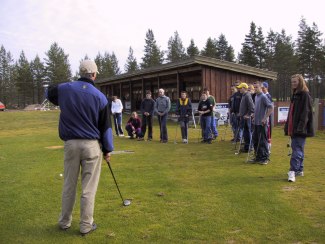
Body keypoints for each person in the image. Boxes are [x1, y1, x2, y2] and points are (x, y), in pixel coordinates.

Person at [47, 60, 113, 236]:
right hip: (91, 145)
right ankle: (85, 225)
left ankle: (64, 222)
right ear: (94, 74)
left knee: (69, 184)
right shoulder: (100, 96)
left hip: (71, 144)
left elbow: (50, 91)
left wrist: (68, 90)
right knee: (88, 187)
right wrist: (108, 149)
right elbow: (105, 127)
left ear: (81, 72)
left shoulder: (65, 89)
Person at [284, 74, 314, 182]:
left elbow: (306, 113)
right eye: (292, 82)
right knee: (298, 148)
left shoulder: (304, 95)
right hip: (294, 128)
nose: (293, 84)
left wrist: (300, 127)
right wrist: (288, 126)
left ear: (300, 82)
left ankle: (292, 171)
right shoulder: (295, 94)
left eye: (295, 82)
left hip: (300, 129)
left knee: (296, 149)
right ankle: (299, 169)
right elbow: (291, 113)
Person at [249, 81, 274, 165]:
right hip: (256, 122)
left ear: (261, 88)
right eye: (254, 87)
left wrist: (265, 118)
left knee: (263, 141)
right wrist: (254, 116)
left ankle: (265, 158)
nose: (255, 89)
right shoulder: (256, 96)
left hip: (262, 123)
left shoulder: (263, 97)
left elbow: (271, 108)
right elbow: (257, 108)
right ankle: (258, 157)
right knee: (255, 140)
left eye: (257, 87)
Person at [237, 82, 255, 152]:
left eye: (240, 88)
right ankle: (246, 147)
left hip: (246, 118)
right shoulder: (244, 95)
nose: (239, 90)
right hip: (243, 118)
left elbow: (252, 107)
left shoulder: (247, 95)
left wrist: (248, 114)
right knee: (245, 133)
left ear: (244, 88)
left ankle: (250, 147)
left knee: (248, 132)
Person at [261, 81, 273, 153]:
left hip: (267, 118)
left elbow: (270, 108)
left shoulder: (268, 96)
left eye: (263, 88)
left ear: (266, 88)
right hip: (263, 117)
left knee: (268, 133)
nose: (262, 89)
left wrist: (266, 117)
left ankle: (268, 149)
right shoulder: (262, 96)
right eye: (261, 88)